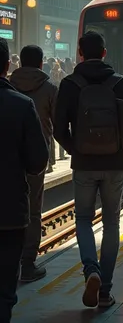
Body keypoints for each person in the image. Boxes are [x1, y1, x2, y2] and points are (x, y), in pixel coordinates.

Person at [54, 31, 123, 309]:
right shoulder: (120, 84)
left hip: (84, 164)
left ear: (80, 53)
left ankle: (92, 270)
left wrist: (76, 149)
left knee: (82, 220)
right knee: (111, 222)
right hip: (115, 164)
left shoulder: (69, 84)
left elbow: (58, 128)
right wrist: (120, 148)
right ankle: (106, 292)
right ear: (104, 53)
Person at [0, 38, 49, 323]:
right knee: (5, 287)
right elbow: (37, 162)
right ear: (8, 65)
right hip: (9, 213)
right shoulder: (21, 105)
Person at [9, 45, 58, 282]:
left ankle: (9, 258)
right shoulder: (49, 88)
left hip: (7, 156)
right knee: (34, 210)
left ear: (17, 64)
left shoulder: (8, 86)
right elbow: (59, 124)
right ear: (40, 64)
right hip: (36, 158)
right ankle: (28, 264)